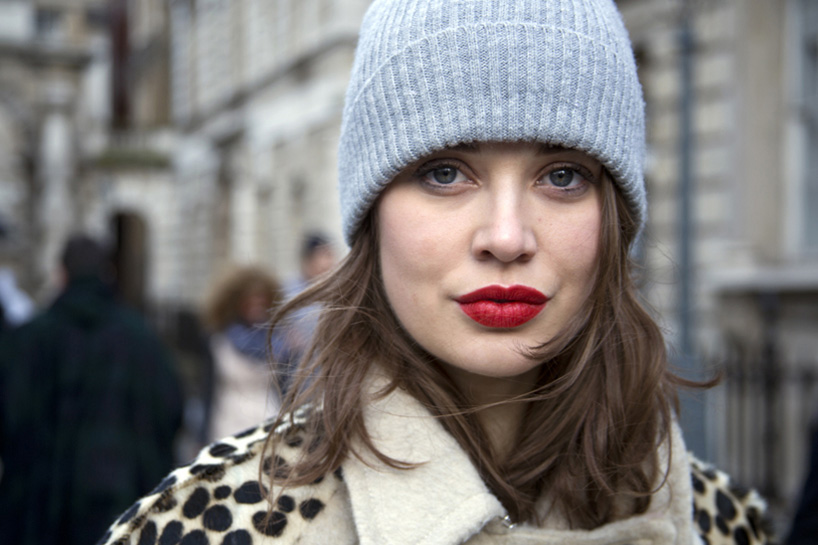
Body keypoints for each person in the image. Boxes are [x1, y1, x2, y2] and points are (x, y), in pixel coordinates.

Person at [99, 1, 774, 544]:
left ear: (615, 218)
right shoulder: (214, 526)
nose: (506, 237)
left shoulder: (721, 524)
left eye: (563, 176)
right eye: (445, 172)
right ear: (371, 219)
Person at [0, 234, 183, 545]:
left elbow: (10, 412)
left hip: (39, 506)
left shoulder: (30, 339)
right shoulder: (141, 339)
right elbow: (169, 409)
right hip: (118, 495)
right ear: (108, 274)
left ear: (62, 275)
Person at [202, 265, 283, 442]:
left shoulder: (277, 340)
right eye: (250, 299)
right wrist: (202, 435)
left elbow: (286, 386)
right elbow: (208, 390)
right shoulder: (220, 341)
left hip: (268, 419)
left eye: (261, 298)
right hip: (229, 422)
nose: (256, 305)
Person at [274, 233, 337, 392]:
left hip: (328, 377)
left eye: (330, 255)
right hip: (294, 375)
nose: (328, 263)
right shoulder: (287, 292)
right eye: (323, 255)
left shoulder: (337, 291)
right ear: (308, 259)